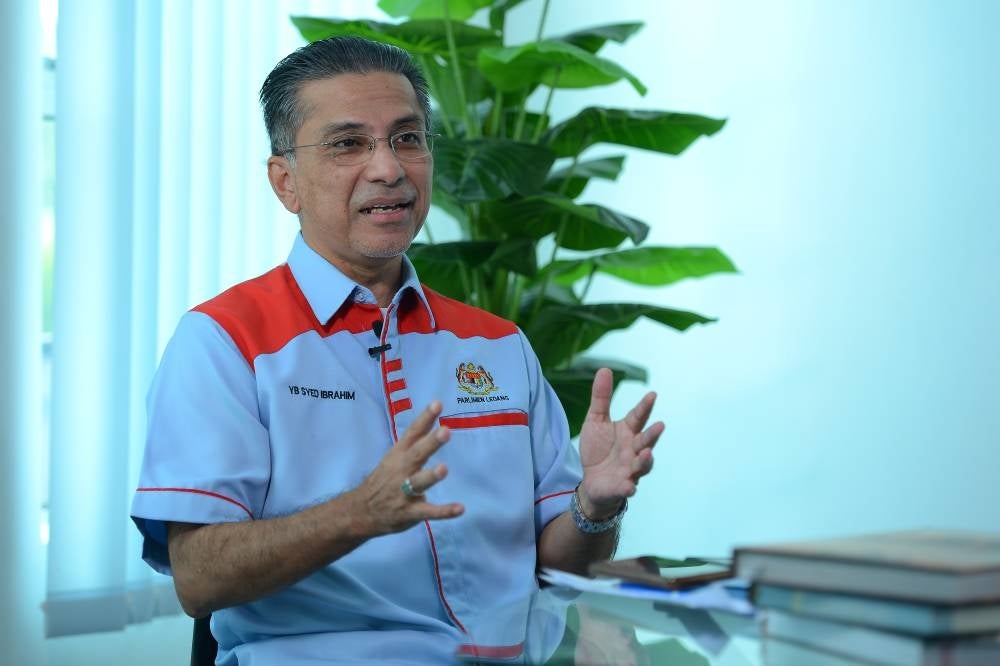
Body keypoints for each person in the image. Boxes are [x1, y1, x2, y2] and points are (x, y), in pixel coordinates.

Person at [130, 36, 662, 665]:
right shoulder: (224, 341)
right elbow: (198, 578)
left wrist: (593, 507)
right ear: (285, 182)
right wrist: (357, 514)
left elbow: (556, 560)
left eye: (408, 138)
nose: (389, 168)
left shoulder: (498, 344)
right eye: (348, 143)